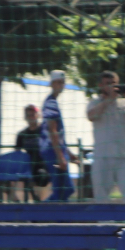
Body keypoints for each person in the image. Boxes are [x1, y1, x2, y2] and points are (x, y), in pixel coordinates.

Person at [85, 70, 125, 202]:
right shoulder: (94, 102)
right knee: (101, 197)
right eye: (107, 83)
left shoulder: (124, 103)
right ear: (100, 86)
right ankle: (105, 223)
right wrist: (108, 101)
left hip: (123, 157)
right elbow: (91, 116)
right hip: (102, 157)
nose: (111, 86)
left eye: (114, 83)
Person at [39, 70, 74, 201]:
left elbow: (58, 135)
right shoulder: (50, 103)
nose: (61, 85)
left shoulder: (53, 102)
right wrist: (60, 157)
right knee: (63, 190)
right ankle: (37, 215)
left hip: (56, 151)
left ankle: (58, 219)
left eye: (62, 82)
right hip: (53, 153)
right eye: (58, 82)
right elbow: (52, 131)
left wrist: (69, 154)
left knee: (64, 190)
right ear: (52, 84)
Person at [14, 104, 49, 199]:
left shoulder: (44, 131)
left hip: (44, 164)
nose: (31, 117)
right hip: (29, 165)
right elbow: (17, 153)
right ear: (25, 117)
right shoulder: (22, 134)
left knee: (42, 176)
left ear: (38, 115)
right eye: (29, 115)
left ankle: (41, 201)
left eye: (33, 115)